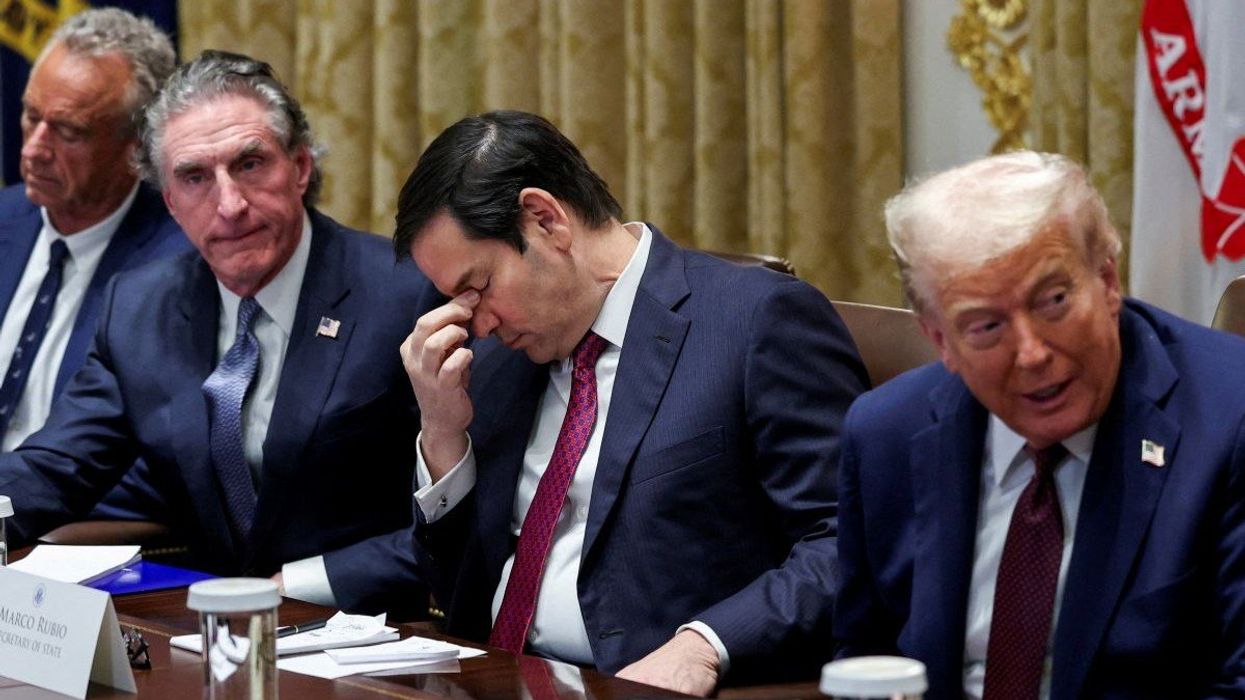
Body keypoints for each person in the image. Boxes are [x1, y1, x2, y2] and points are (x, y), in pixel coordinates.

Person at [360, 110, 866, 694]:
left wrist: (705, 645)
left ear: (544, 219)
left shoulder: (755, 322)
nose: (476, 323)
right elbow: (457, 594)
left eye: (478, 287)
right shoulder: (497, 364)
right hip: (490, 679)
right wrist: (443, 435)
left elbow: (845, 540)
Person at [0, 50, 436, 595]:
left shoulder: (404, 291)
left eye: (250, 164)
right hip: (206, 630)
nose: (229, 204)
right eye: (194, 177)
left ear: (299, 168)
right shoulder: (140, 308)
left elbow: (461, 512)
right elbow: (52, 469)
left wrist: (295, 585)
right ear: (170, 203)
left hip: (375, 627)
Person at [834, 151, 1245, 699]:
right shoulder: (885, 434)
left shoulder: (1229, 419)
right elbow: (866, 668)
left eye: (1053, 301)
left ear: (1106, 280)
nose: (1031, 354)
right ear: (940, 340)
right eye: (985, 326)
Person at [0, 8, 188, 453]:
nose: (33, 149)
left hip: (56, 515)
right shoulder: (4, 220)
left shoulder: (181, 269)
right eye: (30, 116)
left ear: (136, 147)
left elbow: (151, 467)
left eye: (68, 132)